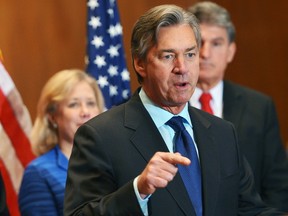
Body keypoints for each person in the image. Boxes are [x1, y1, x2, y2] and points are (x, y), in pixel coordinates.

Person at [64, 5, 284, 216]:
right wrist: (137, 191)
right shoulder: (100, 135)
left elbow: (249, 210)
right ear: (140, 63)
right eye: (168, 56)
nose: (182, 68)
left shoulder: (223, 132)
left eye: (190, 54)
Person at [188, 1, 288, 212]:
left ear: (231, 51)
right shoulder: (168, 105)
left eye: (216, 43)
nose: (205, 53)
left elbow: (277, 185)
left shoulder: (260, 107)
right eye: (199, 43)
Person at [18, 69, 105, 216]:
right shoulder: (38, 173)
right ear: (53, 116)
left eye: (91, 103)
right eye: (73, 104)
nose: (85, 112)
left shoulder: (111, 161)